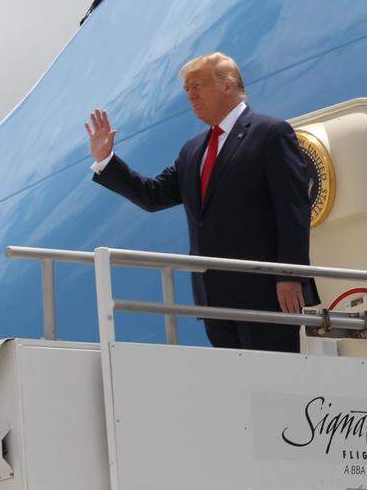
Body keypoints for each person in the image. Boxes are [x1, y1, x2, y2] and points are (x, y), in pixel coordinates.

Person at [84, 52, 318, 352]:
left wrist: (290, 275)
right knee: (234, 389)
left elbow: (293, 209)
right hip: (213, 298)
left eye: (199, 85)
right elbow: (153, 195)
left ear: (228, 85)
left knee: (272, 386)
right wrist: (106, 159)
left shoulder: (270, 134)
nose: (191, 95)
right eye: (187, 89)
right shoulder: (192, 151)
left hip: (266, 295)